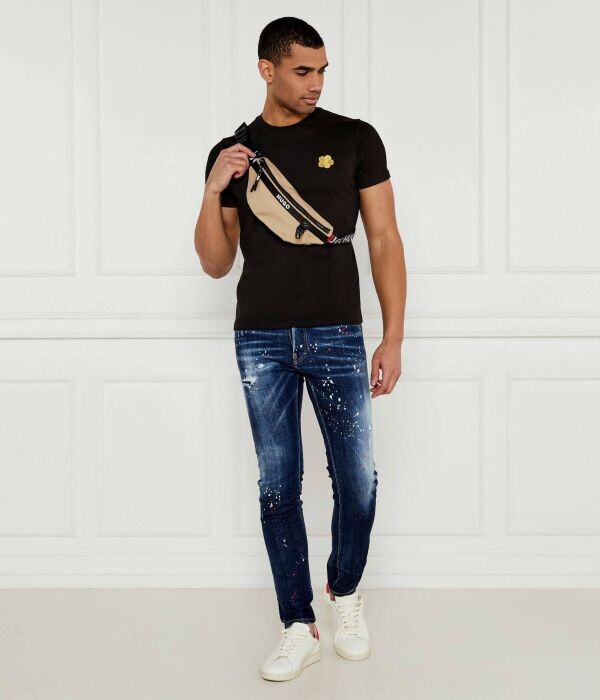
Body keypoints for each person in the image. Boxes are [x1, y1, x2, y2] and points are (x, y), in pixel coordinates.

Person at [195, 16, 406, 682]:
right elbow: (215, 262)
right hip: (260, 338)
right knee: (277, 486)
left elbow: (383, 239)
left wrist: (393, 335)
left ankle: (345, 590)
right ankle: (297, 624)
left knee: (357, 480)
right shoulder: (234, 152)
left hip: (338, 334)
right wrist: (212, 189)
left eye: (322, 71)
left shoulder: (354, 138)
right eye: (302, 71)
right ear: (267, 70)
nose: (316, 83)